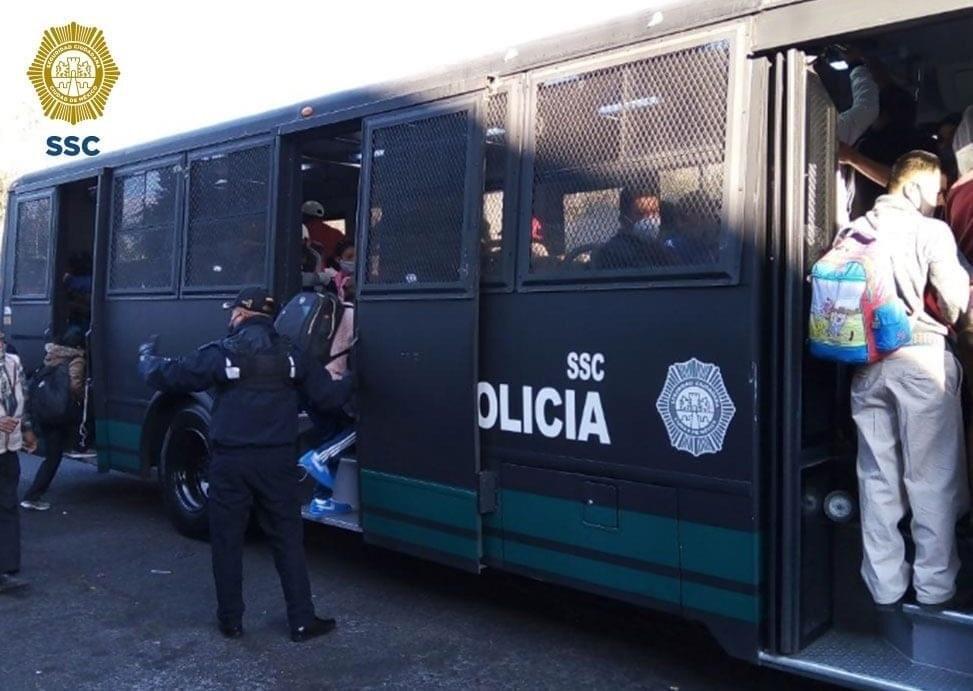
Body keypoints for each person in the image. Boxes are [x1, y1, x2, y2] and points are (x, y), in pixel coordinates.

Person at [137, 287, 353, 641]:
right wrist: (355, 377)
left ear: (241, 314)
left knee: (227, 540)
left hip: (230, 463)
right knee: (287, 541)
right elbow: (328, 398)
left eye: (232, 311)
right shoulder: (293, 354)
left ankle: (231, 621)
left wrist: (146, 357)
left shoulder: (222, 352)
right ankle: (302, 620)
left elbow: (170, 375)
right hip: (277, 463)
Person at [849, 151, 970, 611]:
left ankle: (885, 587)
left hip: (866, 365)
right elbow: (955, 300)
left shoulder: (854, 230)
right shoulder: (930, 231)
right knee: (931, 480)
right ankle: (934, 588)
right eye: (937, 191)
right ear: (915, 186)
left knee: (877, 479)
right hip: (921, 361)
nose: (939, 201)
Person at [20, 327, 86, 511]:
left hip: (45, 411)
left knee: (52, 453)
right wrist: (81, 398)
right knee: (53, 457)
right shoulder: (76, 359)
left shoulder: (53, 354)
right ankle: (32, 496)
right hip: (58, 413)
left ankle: (33, 494)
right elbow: (75, 385)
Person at [0, 331, 37, 593]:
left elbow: (22, 395)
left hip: (9, 447)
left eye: (1, 339)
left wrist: (26, 430)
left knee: (8, 504)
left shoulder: (13, 363)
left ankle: (8, 565)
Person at [592, 187, 669, 270]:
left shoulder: (661, 246)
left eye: (654, 211)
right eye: (641, 213)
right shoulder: (614, 252)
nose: (651, 218)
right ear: (624, 220)